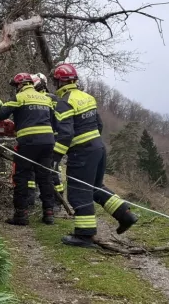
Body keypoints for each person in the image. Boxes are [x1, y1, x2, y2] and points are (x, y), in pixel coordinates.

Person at [52, 63, 139, 248]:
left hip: (82, 153)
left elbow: (66, 135)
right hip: (99, 148)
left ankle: (84, 235)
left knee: (78, 193)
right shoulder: (87, 97)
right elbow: (99, 124)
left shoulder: (64, 102)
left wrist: (55, 157)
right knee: (95, 187)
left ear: (59, 82)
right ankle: (125, 215)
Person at [0, 73, 58, 226]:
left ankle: (21, 215)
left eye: (16, 86)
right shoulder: (46, 98)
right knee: (45, 177)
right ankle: (49, 213)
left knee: (21, 177)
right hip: (48, 141)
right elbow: (55, 123)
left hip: (28, 143)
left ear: (20, 85)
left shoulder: (19, 97)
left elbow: (1, 114)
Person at [33, 73, 67, 202]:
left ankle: (58, 200)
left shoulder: (52, 98)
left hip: (52, 138)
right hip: (43, 138)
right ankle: (43, 197)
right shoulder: (48, 98)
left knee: (53, 169)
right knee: (41, 168)